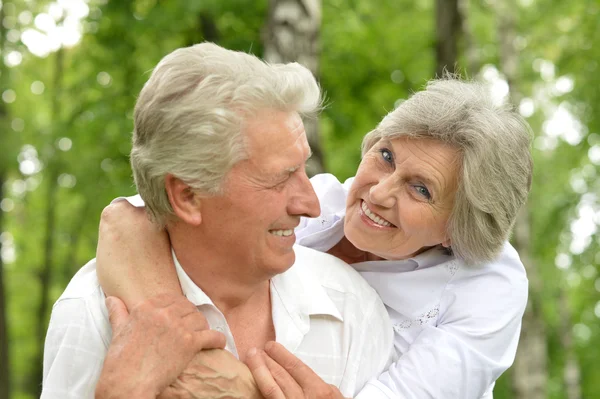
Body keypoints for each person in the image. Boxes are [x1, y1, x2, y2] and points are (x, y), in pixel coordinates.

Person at [96, 75, 534, 398]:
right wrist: (175, 346)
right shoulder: (315, 201)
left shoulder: (489, 286)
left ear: (459, 228)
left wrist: (242, 390)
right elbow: (129, 220)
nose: (378, 192)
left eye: (421, 189)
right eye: (385, 156)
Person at [41, 42, 395, 399]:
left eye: (303, 168)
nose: (310, 205)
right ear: (188, 196)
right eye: (280, 177)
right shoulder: (90, 316)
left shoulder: (352, 308)